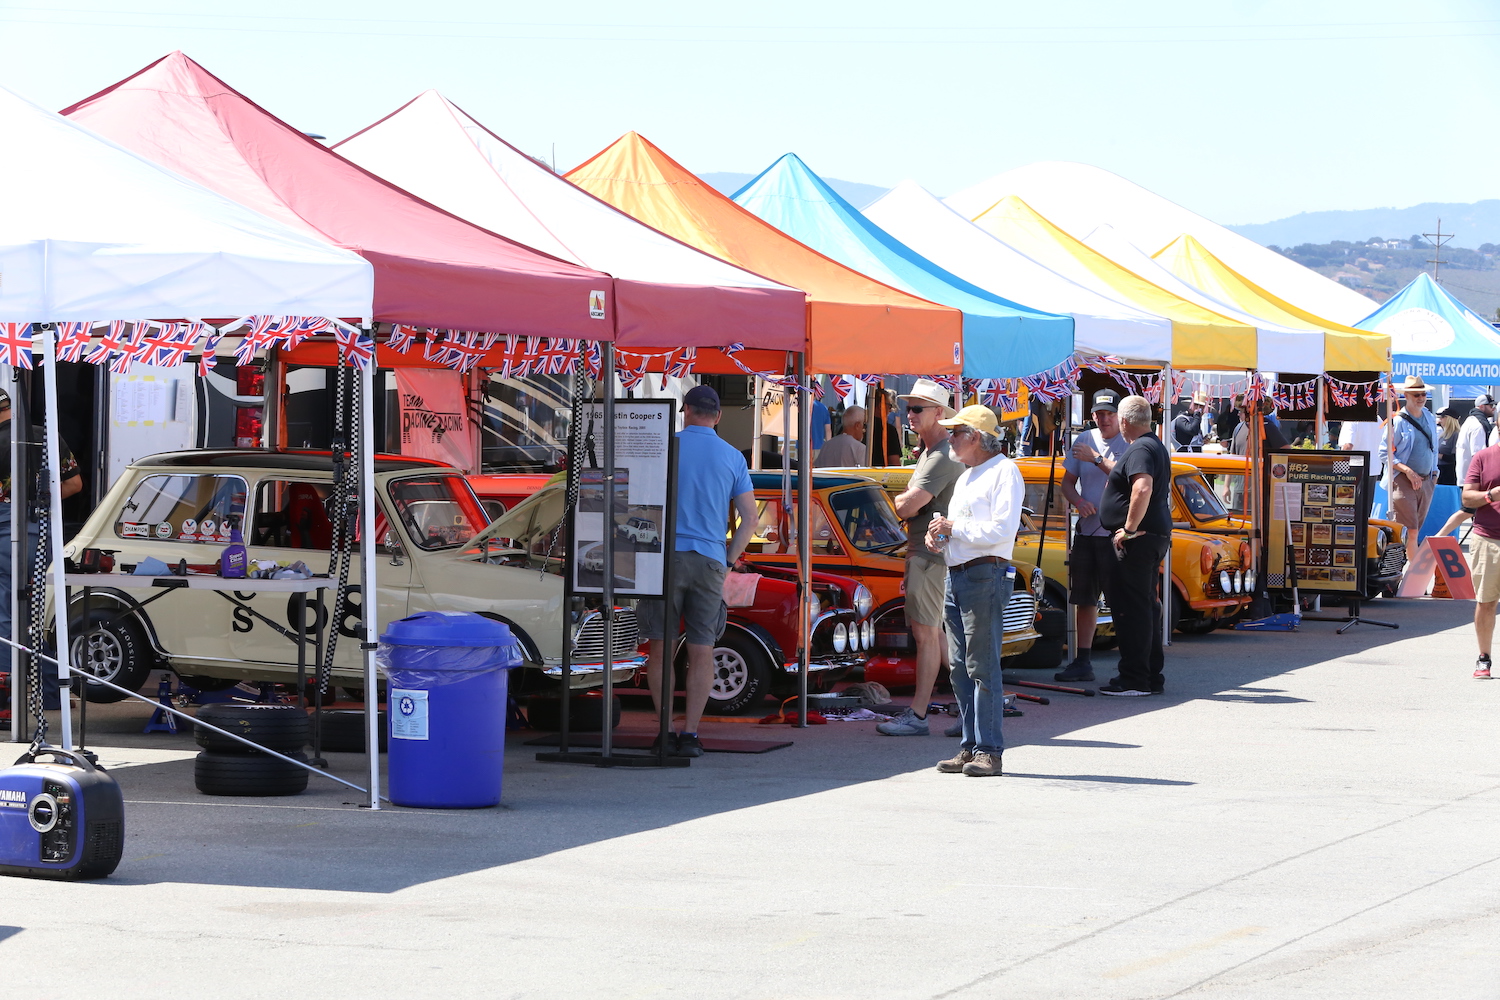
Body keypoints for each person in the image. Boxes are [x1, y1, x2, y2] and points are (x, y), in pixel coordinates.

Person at [638, 385, 758, 757]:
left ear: (685, 410)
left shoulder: (665, 447)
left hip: (664, 558)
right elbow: (750, 519)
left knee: (661, 647)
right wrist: (726, 559)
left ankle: (663, 730)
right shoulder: (733, 456)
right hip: (709, 559)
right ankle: (690, 733)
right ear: (718, 416)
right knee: (703, 649)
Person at [925, 405, 1023, 777]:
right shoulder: (970, 475)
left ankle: (988, 750)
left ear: (976, 437)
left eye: (956, 432)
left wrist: (951, 530)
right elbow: (968, 531)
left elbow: (1000, 532)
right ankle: (972, 746)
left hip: (984, 574)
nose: (950, 438)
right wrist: (941, 539)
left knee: (980, 665)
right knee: (960, 668)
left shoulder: (1004, 471)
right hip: (961, 573)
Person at [876, 380, 963, 737]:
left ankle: (919, 714)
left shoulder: (941, 454)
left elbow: (907, 504)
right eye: (908, 408)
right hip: (929, 554)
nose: (908, 414)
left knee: (926, 634)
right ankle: (974, 706)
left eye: (917, 408)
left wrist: (901, 503)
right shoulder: (935, 452)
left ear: (939, 413)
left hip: (930, 555)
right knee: (938, 636)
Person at [0, 391, 82, 705]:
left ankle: (8, 698)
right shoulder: (45, 436)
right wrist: (37, 501)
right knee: (42, 612)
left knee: (6, 613)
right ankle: (50, 694)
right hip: (43, 528)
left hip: (6, 530)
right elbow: (74, 484)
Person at [1096, 394, 1172, 697]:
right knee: (1144, 607)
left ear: (1124, 421)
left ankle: (1134, 678)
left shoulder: (1140, 447)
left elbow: (1142, 486)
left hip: (1138, 541)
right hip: (1150, 538)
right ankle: (1149, 676)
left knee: (1132, 609)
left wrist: (1128, 529)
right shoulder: (1153, 445)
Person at [1055, 389, 1129, 683]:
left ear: (1119, 416)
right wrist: (1078, 502)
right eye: (1099, 414)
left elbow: (1126, 479)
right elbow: (1067, 484)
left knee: (1121, 600)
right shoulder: (1083, 439)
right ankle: (1082, 660)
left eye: (1109, 414)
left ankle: (1129, 662)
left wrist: (1097, 459)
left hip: (1117, 534)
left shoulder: (1129, 440)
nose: (1104, 419)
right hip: (1087, 532)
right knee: (1084, 599)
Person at [1388, 375, 1439, 568]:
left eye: (1423, 393)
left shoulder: (1429, 417)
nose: (1421, 397)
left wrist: (1434, 475)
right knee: (1411, 531)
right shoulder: (1398, 421)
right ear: (1407, 396)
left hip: (1426, 480)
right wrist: (1408, 471)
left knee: (1414, 529)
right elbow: (1385, 453)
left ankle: (1401, 570)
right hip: (1403, 480)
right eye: (1417, 394)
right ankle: (1411, 573)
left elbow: (1433, 449)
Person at [1460, 441, 1500, 678]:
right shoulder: (1484, 457)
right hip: (1488, 539)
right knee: (1486, 602)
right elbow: (1467, 498)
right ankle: (1483, 657)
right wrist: (1490, 495)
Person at [1457, 395, 1495, 484]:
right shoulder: (1478, 426)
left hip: (1466, 478)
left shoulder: (1470, 421)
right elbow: (1478, 456)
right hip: (1473, 481)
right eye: (1491, 406)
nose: (1493, 408)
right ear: (1481, 406)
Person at [1437, 407, 1461, 486]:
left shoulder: (1456, 435)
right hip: (1440, 471)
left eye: (1442, 417)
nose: (1440, 420)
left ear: (1449, 419)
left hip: (1448, 472)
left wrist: (1439, 456)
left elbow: (1455, 457)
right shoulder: (1443, 434)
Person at [809, 395, 832, 461]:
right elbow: (828, 430)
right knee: (817, 470)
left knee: (801, 470)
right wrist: (828, 447)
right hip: (819, 447)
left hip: (802, 446)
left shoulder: (800, 406)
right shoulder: (824, 408)